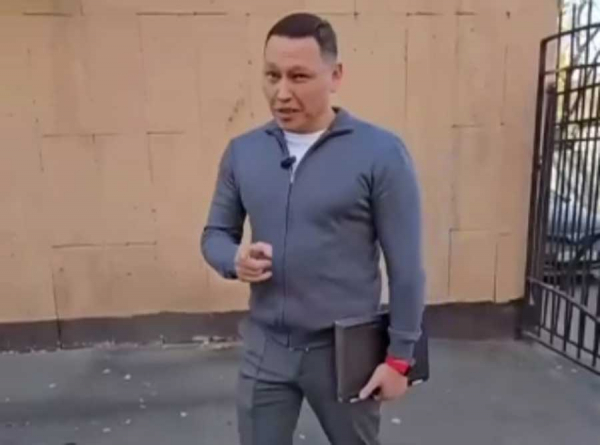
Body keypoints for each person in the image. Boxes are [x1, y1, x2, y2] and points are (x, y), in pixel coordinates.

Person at [201, 12, 425, 445]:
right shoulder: (243, 153)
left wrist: (400, 358)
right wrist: (234, 258)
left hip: (345, 352)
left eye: (299, 76)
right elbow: (214, 235)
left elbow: (407, 268)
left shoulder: (380, 153)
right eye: (272, 76)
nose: (282, 92)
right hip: (266, 347)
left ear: (335, 75)